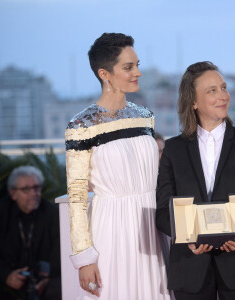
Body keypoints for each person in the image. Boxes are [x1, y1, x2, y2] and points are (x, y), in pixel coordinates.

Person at [65, 33, 170, 300]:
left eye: (137, 64)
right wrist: (83, 258)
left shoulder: (145, 117)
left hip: (151, 227)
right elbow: (77, 196)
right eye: (128, 67)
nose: (138, 72)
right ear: (104, 73)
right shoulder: (81, 125)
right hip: (111, 229)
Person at [156, 61, 235, 300]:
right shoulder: (173, 149)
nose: (223, 96)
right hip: (189, 266)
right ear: (193, 102)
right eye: (212, 90)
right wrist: (187, 239)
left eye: (224, 87)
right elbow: (163, 213)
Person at [0, 166, 61, 300]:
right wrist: (7, 275)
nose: (34, 193)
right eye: (26, 189)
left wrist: (47, 278)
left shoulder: (52, 213)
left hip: (43, 280)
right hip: (6, 280)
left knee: (59, 286)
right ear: (13, 193)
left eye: (36, 188)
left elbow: (60, 251)